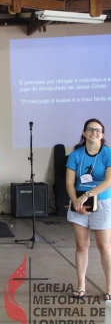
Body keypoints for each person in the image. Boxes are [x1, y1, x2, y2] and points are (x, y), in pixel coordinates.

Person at [66, 118, 111, 300]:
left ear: (103, 135)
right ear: (84, 133)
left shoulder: (108, 153)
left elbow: (108, 181)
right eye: (91, 130)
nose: (94, 133)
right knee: (81, 245)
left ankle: (109, 287)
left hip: (102, 202)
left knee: (105, 247)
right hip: (79, 202)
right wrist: (76, 201)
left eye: (98, 130)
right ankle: (81, 284)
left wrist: (87, 195)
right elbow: (69, 182)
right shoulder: (76, 155)